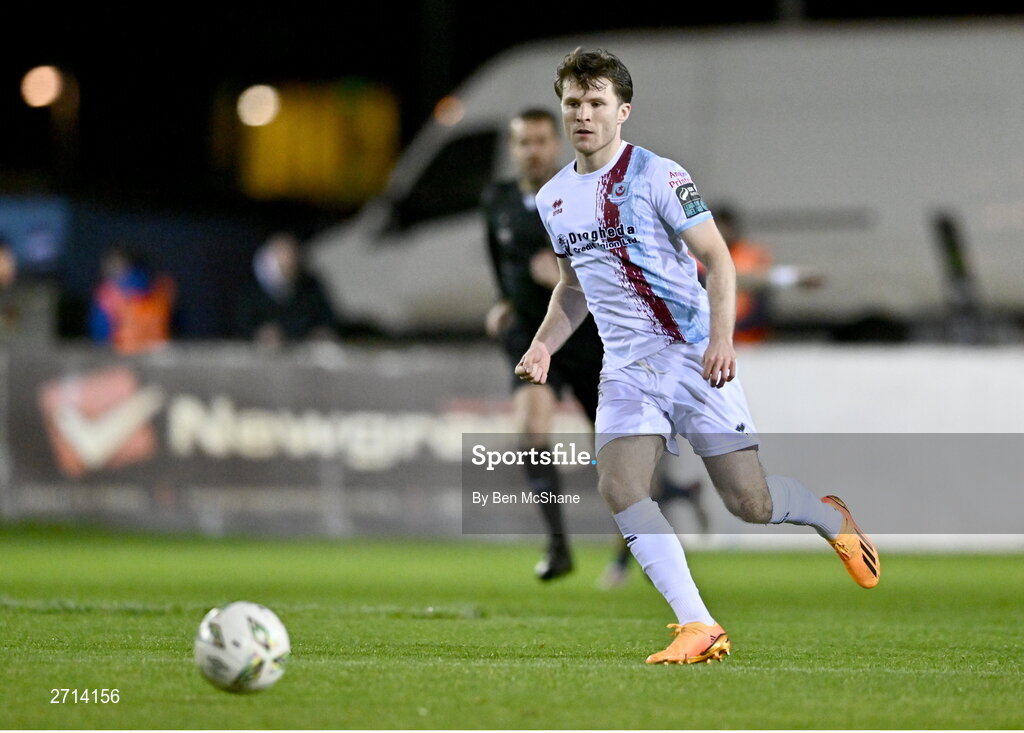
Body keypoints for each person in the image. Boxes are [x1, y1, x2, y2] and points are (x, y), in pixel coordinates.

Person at [516, 48, 879, 665]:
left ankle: (825, 514)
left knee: (750, 504)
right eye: (574, 103)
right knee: (620, 484)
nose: (583, 114)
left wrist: (721, 339)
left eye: (596, 102)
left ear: (622, 110)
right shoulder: (554, 199)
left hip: (692, 356)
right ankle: (698, 624)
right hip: (627, 369)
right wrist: (543, 344)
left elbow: (719, 258)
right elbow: (573, 287)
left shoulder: (660, 175)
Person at [484, 109, 708, 582]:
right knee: (532, 426)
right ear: (513, 148)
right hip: (535, 336)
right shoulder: (498, 201)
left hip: (594, 337)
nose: (533, 150)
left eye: (541, 140)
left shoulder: (575, 195)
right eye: (524, 142)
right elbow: (498, 257)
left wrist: (571, 278)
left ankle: (633, 550)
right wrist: (503, 301)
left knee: (614, 457)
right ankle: (558, 546)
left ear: (556, 144)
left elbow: (609, 257)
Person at [704, 206, 824, 343]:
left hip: (749, 334)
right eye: (717, 227)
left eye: (726, 226)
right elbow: (725, 279)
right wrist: (791, 277)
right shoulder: (699, 256)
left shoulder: (751, 252)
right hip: (710, 335)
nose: (723, 231)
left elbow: (758, 279)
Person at [233, 232, 338, 348]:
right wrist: (260, 334)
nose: (290, 259)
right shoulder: (250, 291)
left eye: (292, 253)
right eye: (283, 253)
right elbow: (242, 326)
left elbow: (326, 318)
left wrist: (322, 332)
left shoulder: (310, 286)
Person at [90, 245, 176, 354]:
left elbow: (100, 333)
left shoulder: (109, 293)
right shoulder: (162, 288)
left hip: (123, 355)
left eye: (112, 264)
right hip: (157, 357)